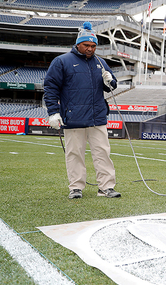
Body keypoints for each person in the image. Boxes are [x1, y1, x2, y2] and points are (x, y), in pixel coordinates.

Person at [44, 22, 121, 199]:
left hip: (97, 117)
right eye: (86, 45)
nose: (90, 49)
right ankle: (76, 188)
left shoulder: (100, 63)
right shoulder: (61, 61)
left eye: (93, 46)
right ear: (78, 43)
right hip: (73, 118)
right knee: (74, 154)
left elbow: (110, 87)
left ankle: (106, 187)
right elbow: (50, 88)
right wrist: (53, 112)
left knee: (103, 154)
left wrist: (111, 81)